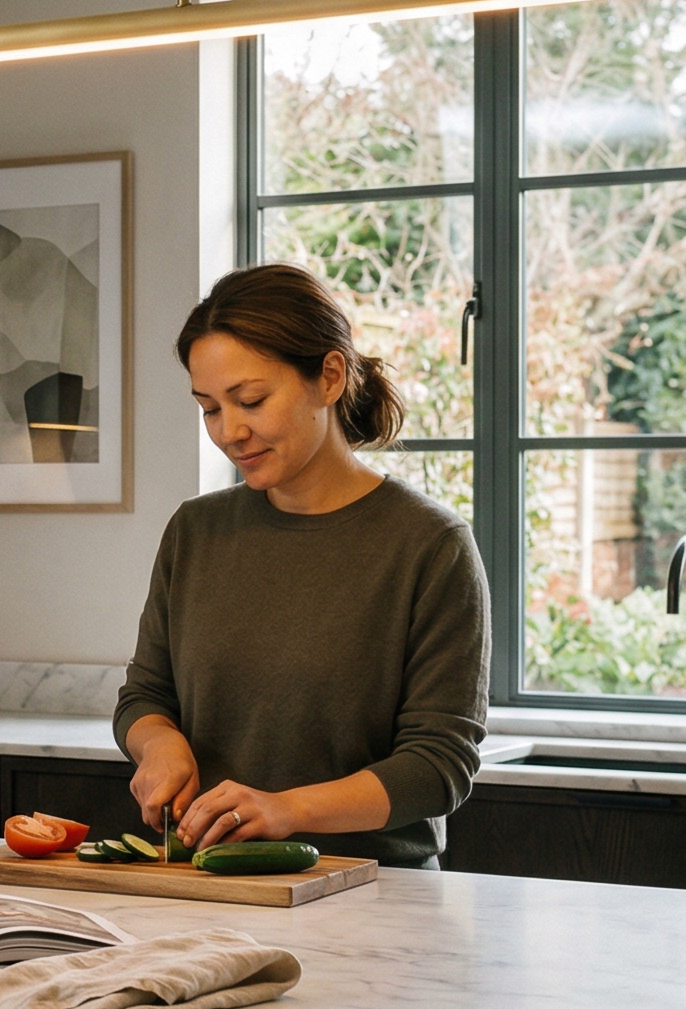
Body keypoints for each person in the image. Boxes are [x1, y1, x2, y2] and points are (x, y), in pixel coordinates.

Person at [114, 264, 489, 868]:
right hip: (206, 887)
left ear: (331, 375)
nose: (230, 432)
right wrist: (160, 746)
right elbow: (145, 694)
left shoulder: (429, 544)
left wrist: (285, 809)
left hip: (371, 894)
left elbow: (437, 766)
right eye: (209, 408)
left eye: (251, 400)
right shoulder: (196, 531)